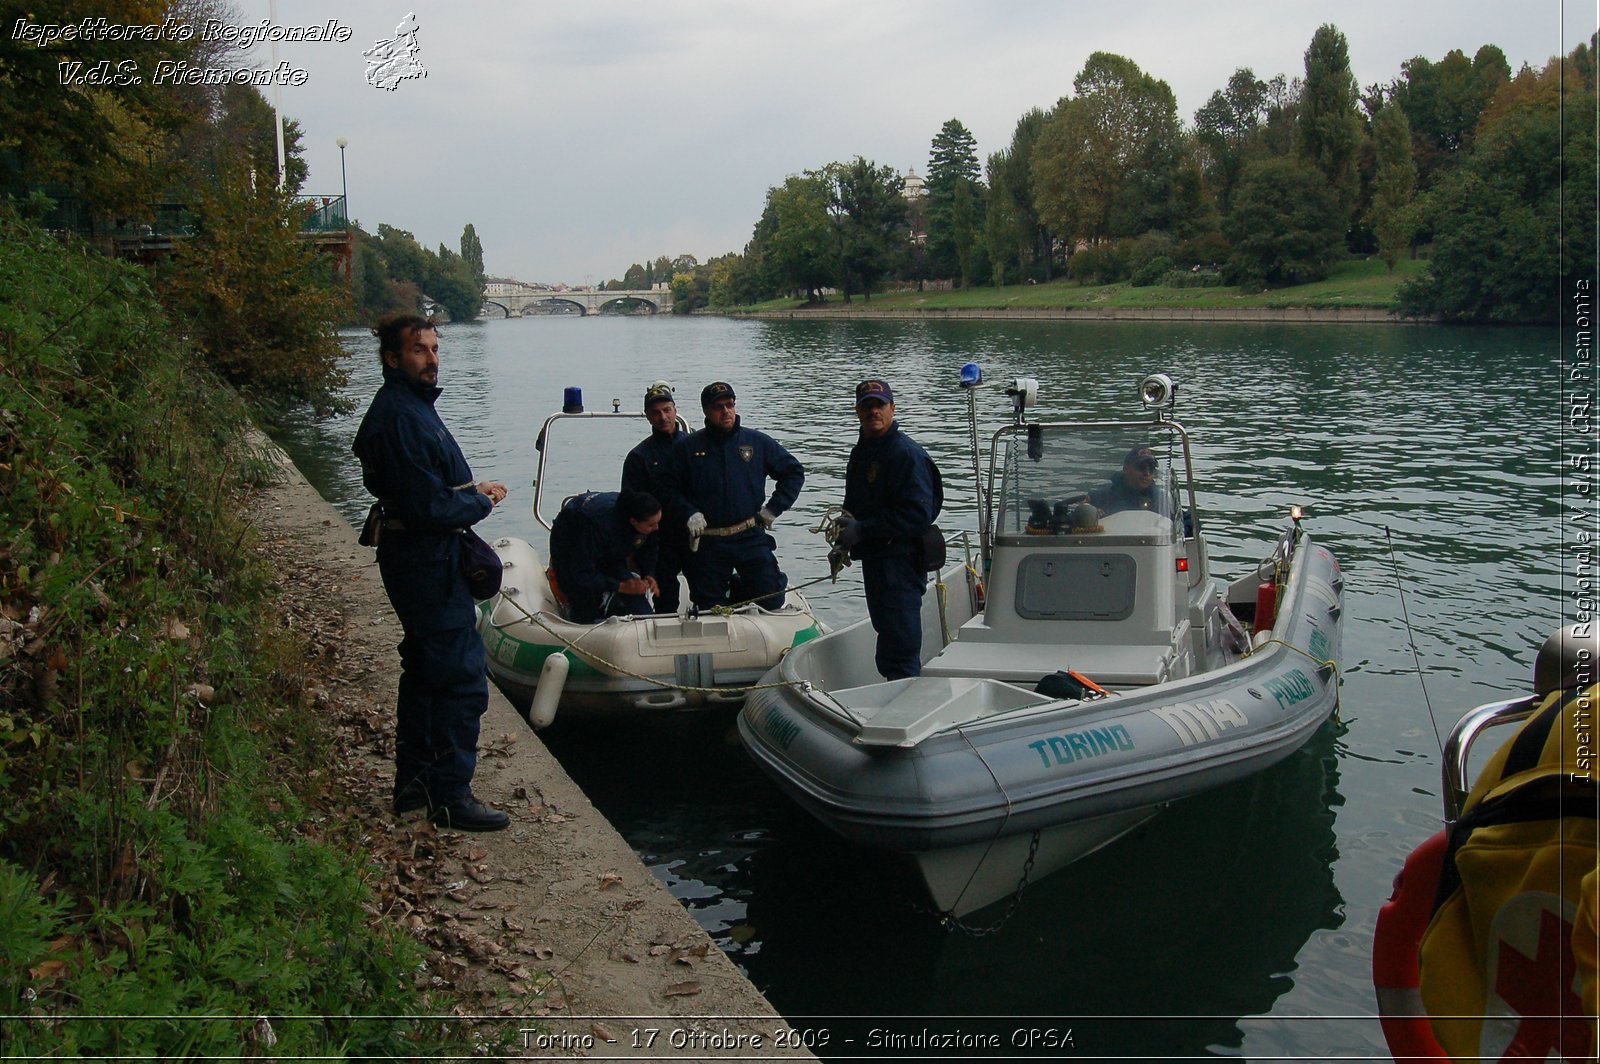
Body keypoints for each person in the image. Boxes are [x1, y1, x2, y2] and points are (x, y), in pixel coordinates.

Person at [353, 314, 509, 832]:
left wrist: (466, 490)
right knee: (460, 679)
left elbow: (425, 489)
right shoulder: (399, 416)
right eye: (420, 350)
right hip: (426, 560)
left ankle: (414, 786)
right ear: (393, 358)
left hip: (420, 555)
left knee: (424, 672)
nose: (432, 359)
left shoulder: (410, 409)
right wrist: (479, 504)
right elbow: (428, 509)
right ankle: (449, 796)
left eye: (436, 349)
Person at [836, 379, 941, 680]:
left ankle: (905, 713)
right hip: (875, 560)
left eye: (879, 405)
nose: (873, 412)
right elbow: (853, 506)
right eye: (867, 406)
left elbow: (918, 514)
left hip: (901, 562)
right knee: (887, 636)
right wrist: (843, 541)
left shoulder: (905, 454)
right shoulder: (863, 452)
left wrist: (864, 529)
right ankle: (893, 699)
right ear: (857, 411)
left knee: (900, 647)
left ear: (892, 408)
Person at [668, 381, 804, 610]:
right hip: (707, 541)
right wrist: (688, 513)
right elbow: (668, 490)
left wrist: (773, 509)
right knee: (709, 606)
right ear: (706, 411)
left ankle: (739, 591)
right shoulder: (687, 448)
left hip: (749, 534)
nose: (726, 411)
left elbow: (793, 472)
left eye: (730, 405)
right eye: (718, 407)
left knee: (772, 598)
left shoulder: (756, 442)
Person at [621, 382, 687, 613]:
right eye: (655, 413)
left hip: (698, 533)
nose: (663, 417)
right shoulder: (639, 457)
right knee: (665, 594)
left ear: (675, 410)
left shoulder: (698, 447)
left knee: (707, 589)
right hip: (660, 538)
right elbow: (629, 505)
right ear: (648, 417)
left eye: (667, 410)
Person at [548, 489, 662, 623]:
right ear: (633, 521)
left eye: (657, 523)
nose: (656, 528)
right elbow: (580, 573)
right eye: (651, 525)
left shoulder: (646, 522)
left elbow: (649, 549)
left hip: (613, 550)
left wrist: (649, 573)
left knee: (636, 598)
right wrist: (619, 586)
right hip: (572, 540)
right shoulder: (592, 524)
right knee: (584, 603)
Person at [1089, 445, 1173, 516]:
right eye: (1141, 467)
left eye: (1151, 469)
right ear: (1125, 469)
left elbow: (1181, 521)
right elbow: (1078, 521)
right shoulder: (1101, 497)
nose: (1147, 473)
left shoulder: (1161, 499)